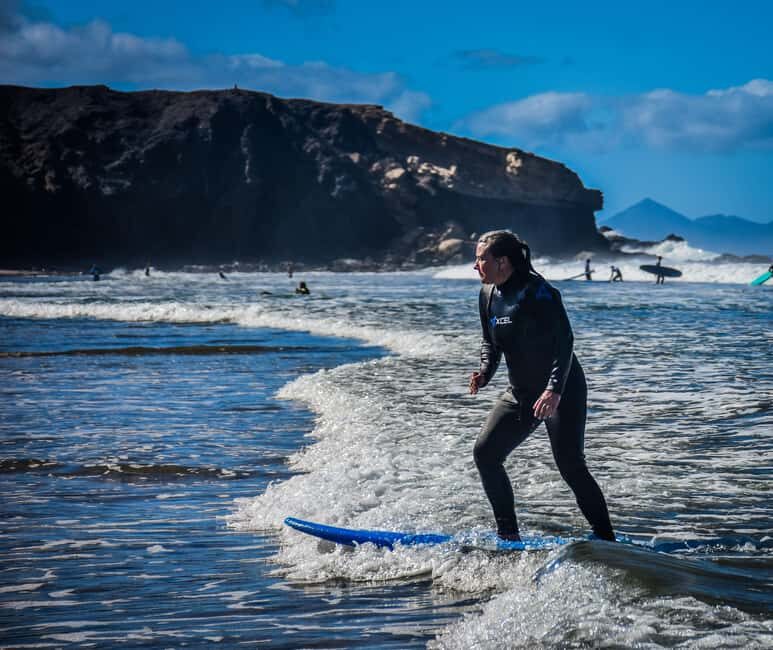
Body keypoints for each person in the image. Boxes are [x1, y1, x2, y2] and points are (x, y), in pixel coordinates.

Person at [469, 230, 615, 542]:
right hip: (521, 392)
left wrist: (553, 390)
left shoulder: (539, 292)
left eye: (481, 259)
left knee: (571, 466)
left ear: (503, 262)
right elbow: (490, 342)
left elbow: (565, 343)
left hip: (562, 389)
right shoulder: (487, 294)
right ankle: (508, 537)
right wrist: (484, 372)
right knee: (486, 454)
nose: (475, 266)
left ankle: (607, 540)